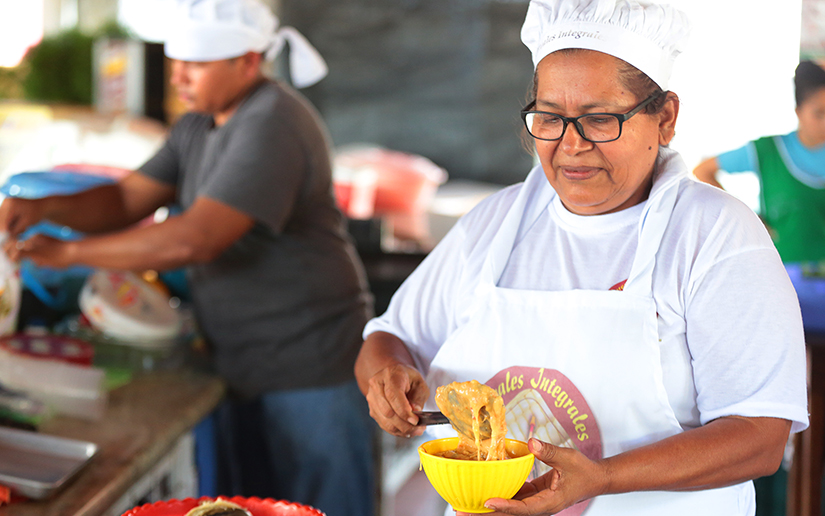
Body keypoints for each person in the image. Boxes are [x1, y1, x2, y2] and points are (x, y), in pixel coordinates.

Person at [354, 1, 808, 515]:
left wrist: (604, 477)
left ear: (666, 118)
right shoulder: (495, 223)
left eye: (598, 119)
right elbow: (389, 338)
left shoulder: (715, 235)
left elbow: (759, 434)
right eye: (549, 118)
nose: (570, 145)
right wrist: (387, 378)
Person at [0, 1, 376, 515]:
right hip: (240, 361)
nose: (177, 76)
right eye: (176, 60)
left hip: (310, 367)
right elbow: (125, 200)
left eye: (195, 64)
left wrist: (68, 252)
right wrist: (38, 209)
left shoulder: (273, 121)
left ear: (247, 61)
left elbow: (194, 239)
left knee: (319, 507)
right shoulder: (198, 126)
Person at [693, 60, 825, 265]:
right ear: (798, 112)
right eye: (819, 114)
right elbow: (703, 170)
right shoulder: (768, 150)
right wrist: (746, 218)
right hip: (782, 273)